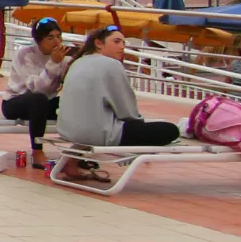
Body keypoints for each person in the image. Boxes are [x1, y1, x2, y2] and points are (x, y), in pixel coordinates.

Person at [59, 26, 179, 178]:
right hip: (96, 133)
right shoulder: (111, 65)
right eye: (116, 41)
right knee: (169, 129)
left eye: (124, 43)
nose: (122, 47)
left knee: (127, 125)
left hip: (67, 129)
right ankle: (134, 152)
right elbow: (127, 109)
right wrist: (138, 126)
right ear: (99, 43)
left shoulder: (77, 63)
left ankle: (71, 162)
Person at [2, 17, 71, 168]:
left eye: (59, 36)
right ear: (38, 40)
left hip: (46, 103)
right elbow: (36, 89)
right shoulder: (25, 55)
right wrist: (53, 63)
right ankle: (37, 151)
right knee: (38, 99)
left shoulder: (63, 57)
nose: (56, 42)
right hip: (16, 102)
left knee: (76, 101)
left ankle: (78, 155)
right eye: (50, 38)